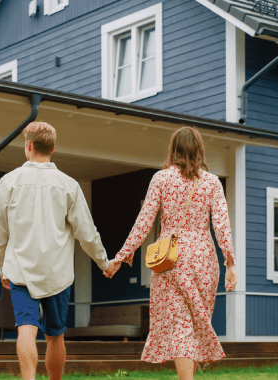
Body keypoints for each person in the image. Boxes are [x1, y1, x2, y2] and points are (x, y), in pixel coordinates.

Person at [103, 126, 238, 380]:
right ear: (199, 150)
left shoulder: (162, 179)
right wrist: (230, 264)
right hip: (204, 260)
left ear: (173, 150)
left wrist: (121, 257)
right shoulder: (212, 182)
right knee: (194, 328)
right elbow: (222, 225)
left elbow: (143, 222)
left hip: (171, 259)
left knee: (182, 328)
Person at [0, 121, 111, 380]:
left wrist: (2, 266)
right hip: (57, 274)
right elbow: (87, 233)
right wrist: (104, 263)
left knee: (26, 329)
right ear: (53, 148)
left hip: (21, 271)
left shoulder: (8, 182)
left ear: (28, 146)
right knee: (55, 335)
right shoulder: (68, 185)